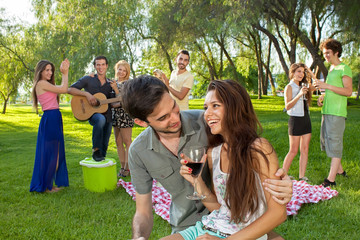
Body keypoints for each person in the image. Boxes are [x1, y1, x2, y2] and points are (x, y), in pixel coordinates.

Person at [121, 75, 293, 240]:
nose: (175, 118)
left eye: (174, 107)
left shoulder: (207, 123)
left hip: (235, 222)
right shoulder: (139, 151)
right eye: (163, 117)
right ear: (142, 122)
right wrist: (138, 237)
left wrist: (283, 181)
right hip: (192, 224)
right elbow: (143, 211)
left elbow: (246, 149)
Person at [314, 39, 352, 187]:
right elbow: (332, 89)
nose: (326, 57)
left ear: (336, 52)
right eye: (324, 54)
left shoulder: (344, 68)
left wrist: (326, 86)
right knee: (327, 142)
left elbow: (348, 91)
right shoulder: (331, 70)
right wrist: (323, 96)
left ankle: (330, 180)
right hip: (327, 111)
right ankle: (340, 171)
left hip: (337, 113)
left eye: (328, 53)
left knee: (335, 143)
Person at [30, 59, 70, 193]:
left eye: (51, 70)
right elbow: (64, 89)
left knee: (55, 153)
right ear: (40, 71)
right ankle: (47, 186)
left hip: (54, 117)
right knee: (53, 154)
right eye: (47, 70)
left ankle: (49, 184)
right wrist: (65, 72)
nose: (50, 72)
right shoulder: (41, 84)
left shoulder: (46, 84)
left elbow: (66, 89)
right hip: (51, 118)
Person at [68, 56, 116, 161]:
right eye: (98, 64)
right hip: (92, 114)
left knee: (103, 152)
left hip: (107, 116)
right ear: (94, 66)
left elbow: (112, 103)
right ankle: (95, 149)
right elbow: (70, 89)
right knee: (100, 119)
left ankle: (100, 161)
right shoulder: (88, 79)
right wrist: (87, 94)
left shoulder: (111, 83)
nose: (101, 67)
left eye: (103, 64)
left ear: (107, 66)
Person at [283, 63, 316, 181]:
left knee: (305, 149)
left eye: (303, 72)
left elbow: (317, 85)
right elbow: (287, 106)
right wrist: (300, 94)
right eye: (298, 71)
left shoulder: (305, 85)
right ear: (292, 72)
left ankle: (302, 176)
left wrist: (309, 71)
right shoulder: (289, 87)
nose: (301, 74)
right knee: (293, 150)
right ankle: (283, 176)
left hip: (306, 119)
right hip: (295, 120)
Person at [111, 60, 134, 177]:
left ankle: (128, 168)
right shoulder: (112, 81)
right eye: (120, 69)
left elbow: (122, 101)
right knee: (118, 141)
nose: (121, 72)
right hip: (115, 114)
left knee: (127, 141)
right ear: (117, 69)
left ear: (127, 72)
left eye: (124, 70)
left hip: (125, 115)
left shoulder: (129, 83)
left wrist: (115, 90)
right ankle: (122, 166)